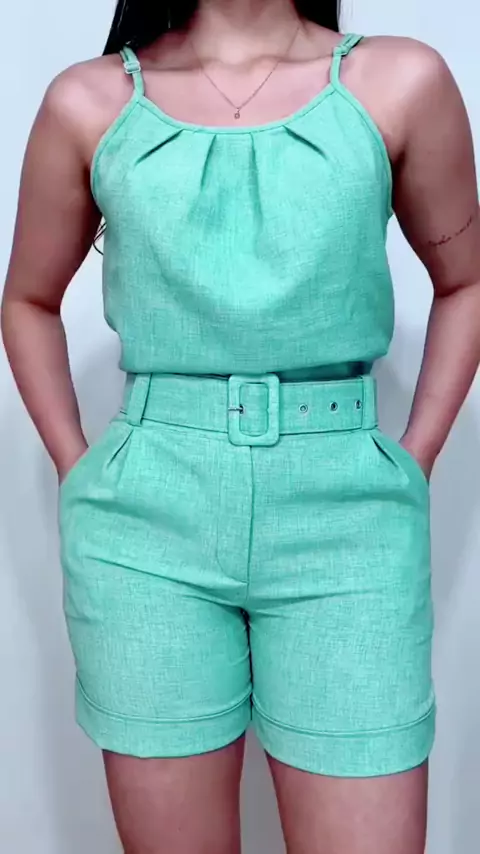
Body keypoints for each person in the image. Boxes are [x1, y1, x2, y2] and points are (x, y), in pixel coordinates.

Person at [2, 0, 480, 851]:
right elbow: (28, 301)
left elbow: (467, 282)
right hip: (144, 528)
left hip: (349, 522)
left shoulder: (401, 82)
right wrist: (82, 475)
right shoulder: (90, 101)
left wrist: (416, 460)